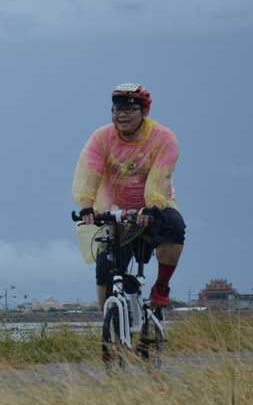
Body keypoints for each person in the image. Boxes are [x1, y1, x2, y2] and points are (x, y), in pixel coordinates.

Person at [71, 83, 185, 309]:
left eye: (129, 109)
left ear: (144, 112)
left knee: (175, 228)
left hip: (156, 204)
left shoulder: (163, 137)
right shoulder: (102, 137)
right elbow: (90, 171)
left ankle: (161, 286)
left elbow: (161, 176)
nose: (121, 115)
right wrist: (86, 207)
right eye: (116, 110)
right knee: (105, 268)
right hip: (116, 208)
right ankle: (108, 321)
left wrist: (151, 206)